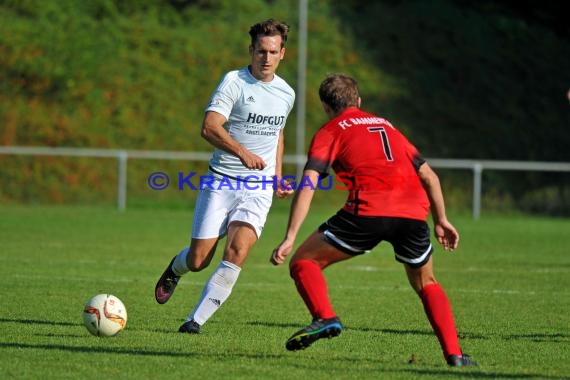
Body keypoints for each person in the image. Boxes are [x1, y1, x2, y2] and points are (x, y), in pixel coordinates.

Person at [270, 73, 477, 367]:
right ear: (359, 101)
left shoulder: (330, 130)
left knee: (304, 262)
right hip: (414, 213)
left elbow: (310, 182)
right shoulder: (387, 126)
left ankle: (324, 316)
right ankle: (455, 355)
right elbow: (429, 175)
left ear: (326, 107)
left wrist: (290, 236)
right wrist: (442, 219)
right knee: (426, 282)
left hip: (368, 210)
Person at [155, 19, 295, 334]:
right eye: (261, 51)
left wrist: (276, 176)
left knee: (238, 250)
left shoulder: (287, 93)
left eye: (273, 52)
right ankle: (177, 267)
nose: (266, 58)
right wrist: (242, 152)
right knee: (199, 259)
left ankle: (195, 321)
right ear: (251, 50)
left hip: (258, 188)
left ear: (282, 53)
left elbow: (278, 134)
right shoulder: (233, 82)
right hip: (222, 181)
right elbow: (209, 127)